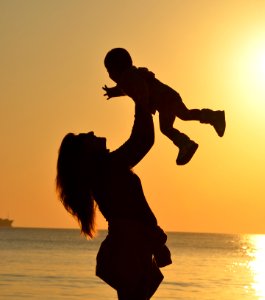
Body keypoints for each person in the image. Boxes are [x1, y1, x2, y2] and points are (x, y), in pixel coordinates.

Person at [56, 97, 171, 299]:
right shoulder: (108, 168)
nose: (92, 133)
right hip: (130, 246)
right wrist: (139, 98)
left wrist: (143, 103)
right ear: (85, 154)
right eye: (86, 137)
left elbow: (142, 140)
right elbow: (142, 141)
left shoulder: (104, 169)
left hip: (129, 245)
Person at [102, 47, 226, 165]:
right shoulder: (130, 76)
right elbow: (126, 88)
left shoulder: (128, 77)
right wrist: (113, 92)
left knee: (167, 127)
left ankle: (186, 143)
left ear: (116, 69)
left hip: (164, 100)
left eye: (109, 71)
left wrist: (143, 102)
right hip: (167, 97)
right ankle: (213, 116)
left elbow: (139, 86)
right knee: (185, 115)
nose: (110, 75)